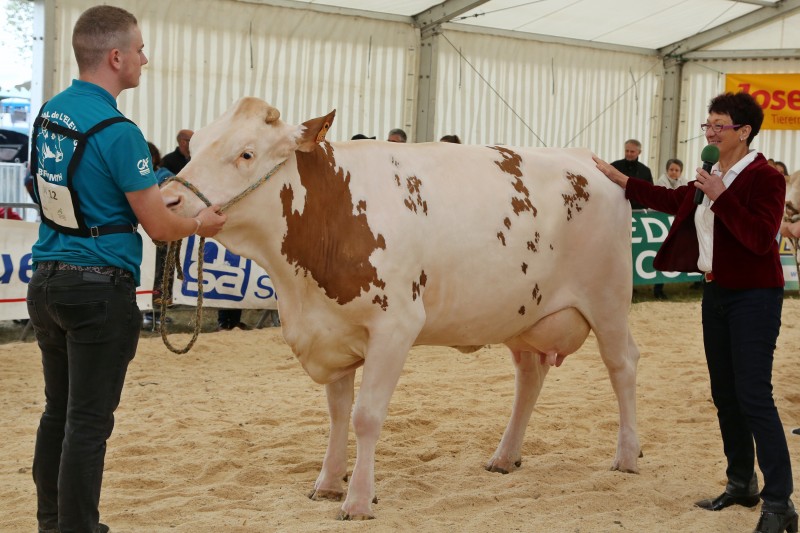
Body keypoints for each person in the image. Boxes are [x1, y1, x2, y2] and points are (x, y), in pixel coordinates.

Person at [27, 6, 226, 533]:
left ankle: (52, 522)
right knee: (88, 423)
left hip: (47, 277)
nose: (145, 57)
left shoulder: (50, 112)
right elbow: (160, 228)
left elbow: (44, 187)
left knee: (58, 413)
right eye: (139, 48)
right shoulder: (120, 131)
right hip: (99, 288)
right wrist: (201, 223)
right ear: (116, 57)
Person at [594, 91, 795, 533]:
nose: (709, 131)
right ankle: (741, 481)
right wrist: (617, 177)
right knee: (725, 393)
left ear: (743, 132)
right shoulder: (709, 174)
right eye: (707, 123)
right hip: (716, 293)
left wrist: (722, 197)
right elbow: (671, 200)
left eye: (718, 124)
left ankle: (780, 502)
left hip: (756, 296)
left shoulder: (765, 177)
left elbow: (761, 239)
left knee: (755, 395)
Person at [143, 142, 175, 327]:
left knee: (159, 275)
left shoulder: (166, 176)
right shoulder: (129, 174)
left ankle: (155, 314)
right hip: (138, 234)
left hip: (158, 234)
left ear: (154, 157)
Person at [652, 158, 686, 299]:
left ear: (681, 172)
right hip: (662, 222)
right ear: (667, 170)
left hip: (677, 222)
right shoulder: (660, 183)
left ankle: (697, 283)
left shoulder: (685, 182)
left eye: (677, 170)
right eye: (671, 169)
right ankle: (658, 288)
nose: (674, 172)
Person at [610, 139, 653, 210]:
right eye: (627, 151)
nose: (629, 154)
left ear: (639, 152)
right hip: (617, 208)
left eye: (632, 151)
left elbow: (649, 192)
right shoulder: (614, 166)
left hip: (639, 211)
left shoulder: (645, 171)